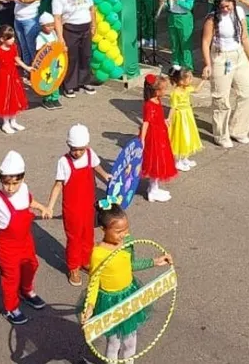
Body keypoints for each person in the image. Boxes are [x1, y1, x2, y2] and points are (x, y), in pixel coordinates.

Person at [81, 203, 173, 362]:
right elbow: (94, 282)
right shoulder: (98, 254)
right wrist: (90, 305)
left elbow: (131, 265)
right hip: (110, 302)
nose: (124, 234)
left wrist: (155, 261)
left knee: (131, 339)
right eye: (118, 232)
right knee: (114, 342)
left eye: (126, 229)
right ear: (103, 229)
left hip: (128, 295)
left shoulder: (128, 243)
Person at [0, 150, 52, 326]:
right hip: (7, 246)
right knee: (11, 277)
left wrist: (42, 208)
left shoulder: (24, 189)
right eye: (6, 183)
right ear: (1, 179)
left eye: (14, 183)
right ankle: (10, 308)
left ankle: (26, 291)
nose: (10, 188)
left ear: (22, 179)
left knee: (32, 265)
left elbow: (29, 201)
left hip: (26, 241)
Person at [46, 124, 109, 287]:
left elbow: (96, 167)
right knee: (74, 238)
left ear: (87, 146)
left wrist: (105, 176)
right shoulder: (64, 162)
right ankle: (73, 267)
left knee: (88, 234)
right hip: (72, 209)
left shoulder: (90, 155)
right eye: (74, 149)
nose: (78, 152)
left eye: (81, 149)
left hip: (88, 205)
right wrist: (50, 206)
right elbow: (58, 185)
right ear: (68, 145)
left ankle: (86, 261)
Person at [200, 0, 249, 148]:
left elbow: (244, 36)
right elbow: (205, 42)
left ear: (233, 2)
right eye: (222, 7)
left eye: (228, 6)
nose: (225, 9)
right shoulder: (212, 18)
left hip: (238, 55)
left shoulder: (239, 12)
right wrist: (208, 64)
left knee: (248, 92)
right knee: (221, 98)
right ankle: (220, 134)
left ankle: (238, 129)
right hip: (221, 57)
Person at [52, 0, 97, 98]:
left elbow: (92, 10)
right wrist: (60, 37)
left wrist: (93, 25)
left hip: (86, 29)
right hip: (70, 30)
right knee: (71, 58)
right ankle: (69, 85)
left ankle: (85, 81)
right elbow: (57, 18)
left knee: (86, 55)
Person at [139, 74, 178, 202]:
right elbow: (146, 122)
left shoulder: (157, 101)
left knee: (159, 160)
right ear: (156, 91)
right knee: (156, 161)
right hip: (154, 136)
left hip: (160, 133)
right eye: (163, 89)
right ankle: (153, 190)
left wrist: (163, 121)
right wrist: (143, 139)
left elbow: (156, 117)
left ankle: (154, 187)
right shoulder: (149, 104)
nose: (165, 91)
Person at [162, 0, 196, 70]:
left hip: (184, 18)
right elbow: (168, 4)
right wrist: (164, 3)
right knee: (174, 43)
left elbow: (189, 6)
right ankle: (176, 65)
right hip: (172, 16)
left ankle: (187, 68)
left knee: (185, 44)